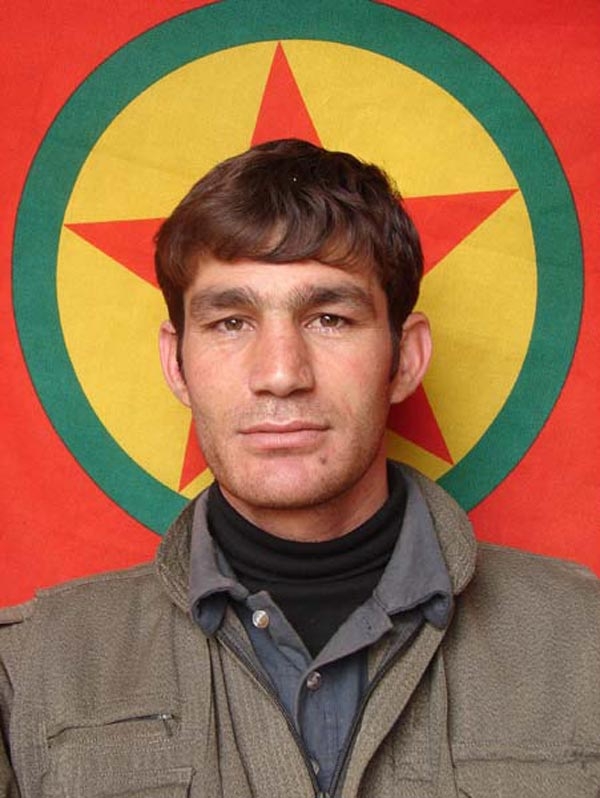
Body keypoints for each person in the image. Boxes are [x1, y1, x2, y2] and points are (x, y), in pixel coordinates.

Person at [1, 139, 599, 797]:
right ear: (177, 364)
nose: (282, 373)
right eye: (231, 322)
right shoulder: (28, 674)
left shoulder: (586, 642)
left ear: (405, 358)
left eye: (330, 318)